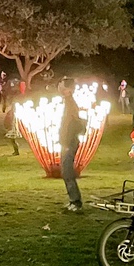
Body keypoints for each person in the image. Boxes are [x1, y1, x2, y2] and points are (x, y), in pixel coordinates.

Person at [59, 77, 84, 213]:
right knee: (65, 171)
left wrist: (67, 141)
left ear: (68, 89)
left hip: (70, 141)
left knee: (67, 171)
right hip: (66, 141)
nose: (60, 89)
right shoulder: (68, 102)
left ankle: (76, 201)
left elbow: (72, 123)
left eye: (62, 86)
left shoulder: (70, 103)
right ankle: (72, 199)